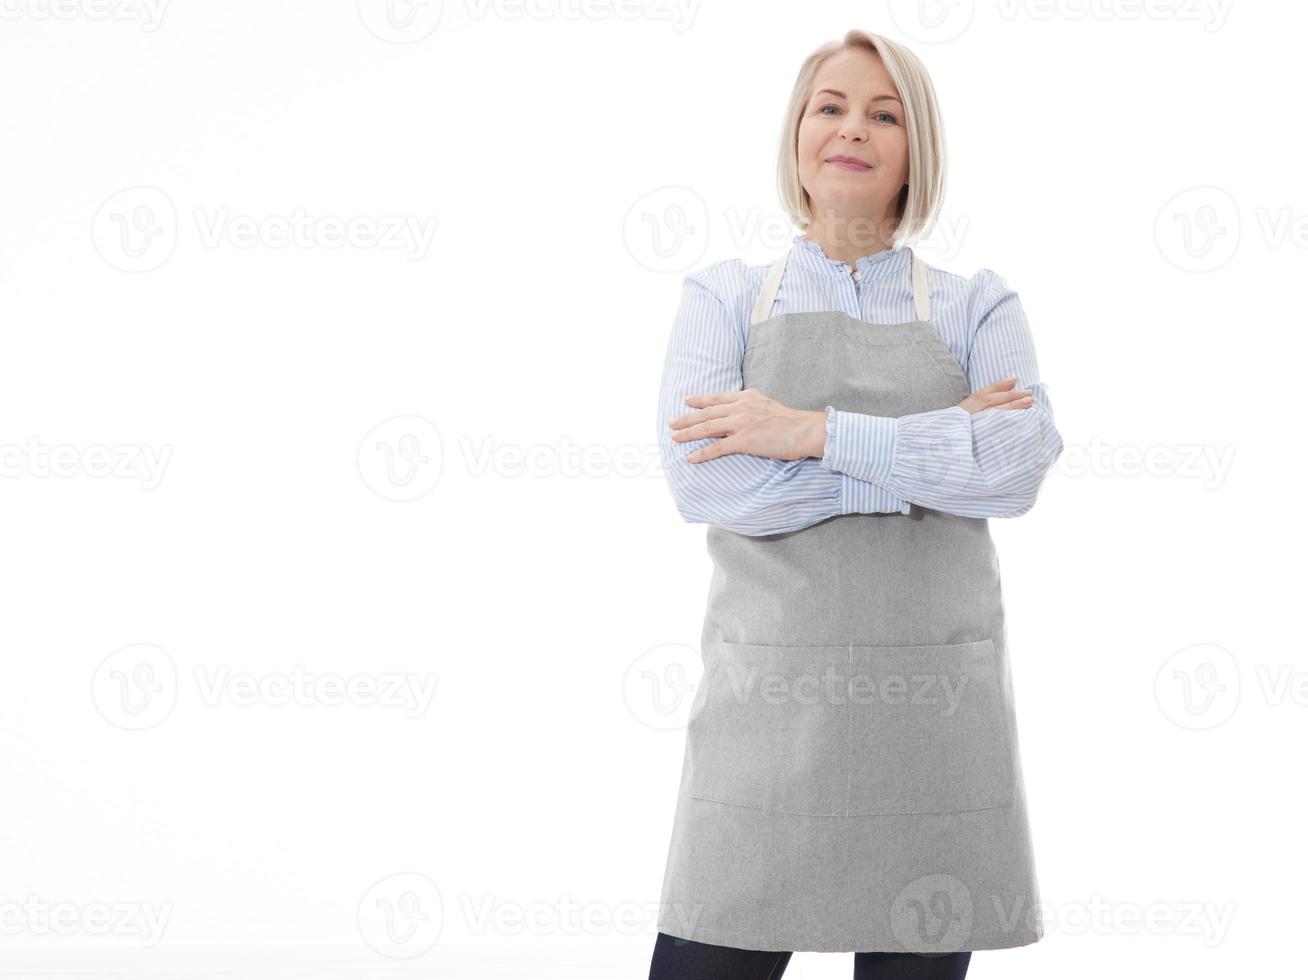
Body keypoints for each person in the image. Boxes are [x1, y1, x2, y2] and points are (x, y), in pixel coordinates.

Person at [648, 28, 1064, 980]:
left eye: (884, 114)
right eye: (829, 107)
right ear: (797, 134)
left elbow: (1013, 470)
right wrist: (928, 450)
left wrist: (809, 431)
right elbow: (705, 482)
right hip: (765, 720)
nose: (852, 129)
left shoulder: (977, 306)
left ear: (917, 146)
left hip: (932, 728)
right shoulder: (725, 298)